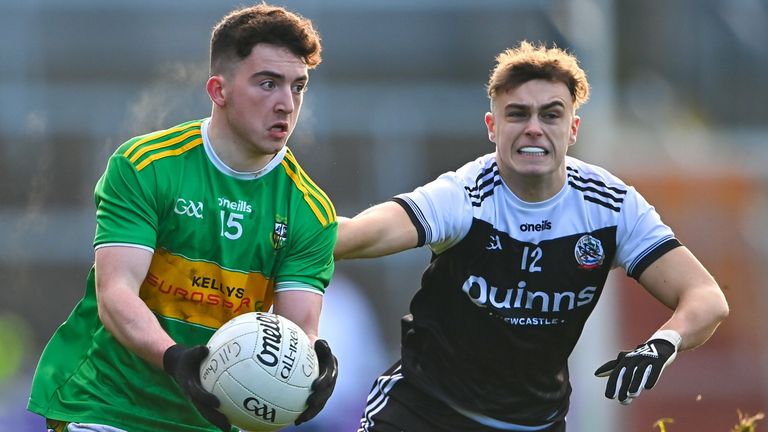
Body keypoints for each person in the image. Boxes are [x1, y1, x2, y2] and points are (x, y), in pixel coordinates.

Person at [335, 41, 729, 432]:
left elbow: (707, 297)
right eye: (518, 114)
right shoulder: (464, 195)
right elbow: (357, 236)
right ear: (493, 128)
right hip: (423, 412)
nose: (534, 129)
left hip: (533, 425)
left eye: (551, 115)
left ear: (573, 128)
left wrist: (663, 343)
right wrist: (277, 229)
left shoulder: (610, 206)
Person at [28, 4, 338, 432]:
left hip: (210, 417)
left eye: (298, 87)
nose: (286, 103)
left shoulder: (310, 210)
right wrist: (176, 359)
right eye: (268, 83)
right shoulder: (145, 165)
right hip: (104, 405)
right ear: (218, 90)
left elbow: (298, 326)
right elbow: (116, 295)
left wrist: (311, 366)